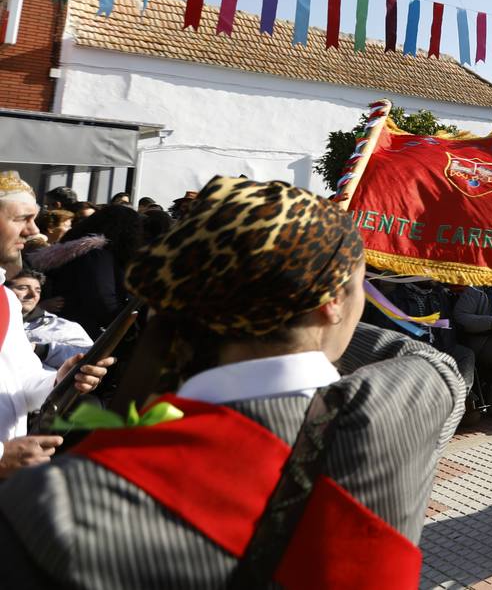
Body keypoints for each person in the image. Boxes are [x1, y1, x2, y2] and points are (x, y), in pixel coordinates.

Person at [0, 176, 464, 587]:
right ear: (333, 303)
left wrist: (220, 307)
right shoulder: (415, 398)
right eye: (358, 288)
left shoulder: (54, 505)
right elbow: (424, 358)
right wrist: (287, 307)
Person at [1, 173, 113, 478]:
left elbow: (22, 385)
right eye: (22, 218)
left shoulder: (6, 300)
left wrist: (58, 381)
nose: (34, 230)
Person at [32, 205, 143, 337]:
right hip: (84, 333)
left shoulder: (80, 250)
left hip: (69, 327)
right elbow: (103, 300)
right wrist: (128, 329)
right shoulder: (97, 254)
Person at [9, 270, 92, 368]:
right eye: (23, 288)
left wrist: (42, 350)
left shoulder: (62, 326)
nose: (33, 295)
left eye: (38, 290)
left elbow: (90, 357)